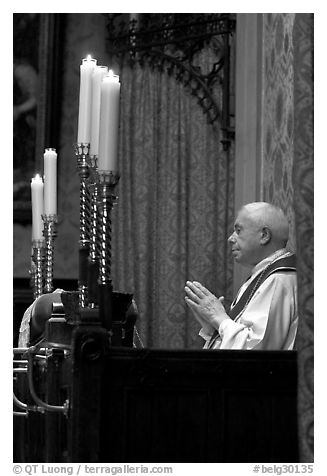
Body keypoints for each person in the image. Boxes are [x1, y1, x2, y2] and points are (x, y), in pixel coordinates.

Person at [184, 202, 298, 350]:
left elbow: (255, 350)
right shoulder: (261, 276)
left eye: (238, 231)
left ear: (264, 235)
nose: (230, 238)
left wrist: (219, 318)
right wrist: (213, 327)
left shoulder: (278, 279)